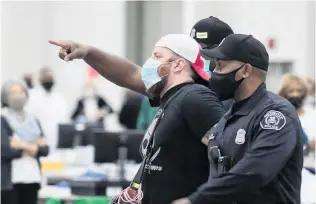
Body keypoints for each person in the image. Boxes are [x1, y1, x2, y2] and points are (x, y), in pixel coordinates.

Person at [49, 33, 226, 204]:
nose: (149, 63)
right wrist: (88, 52)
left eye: (157, 56)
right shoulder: (171, 98)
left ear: (178, 65)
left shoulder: (195, 97)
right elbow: (130, 74)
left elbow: (228, 155)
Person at [172, 34, 303, 204]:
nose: (214, 73)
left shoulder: (276, 115)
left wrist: (195, 200)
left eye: (221, 66)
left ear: (246, 70)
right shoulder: (228, 118)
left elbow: (254, 173)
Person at [1, 80, 49, 204]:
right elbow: (5, 150)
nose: (18, 95)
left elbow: (45, 150)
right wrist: (34, 146)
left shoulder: (33, 120)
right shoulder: (2, 118)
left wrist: (20, 144)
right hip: (11, 182)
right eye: (13, 92)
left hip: (32, 179)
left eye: (21, 91)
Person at [190, 16, 234, 111]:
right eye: (195, 53)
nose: (199, 58)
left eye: (205, 53)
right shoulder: (188, 87)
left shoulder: (233, 96)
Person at [26, 67, 68, 151]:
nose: (48, 80)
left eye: (50, 78)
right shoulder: (32, 96)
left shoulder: (59, 97)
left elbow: (64, 119)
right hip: (38, 141)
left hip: (57, 141)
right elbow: (28, 118)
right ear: (40, 79)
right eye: (46, 78)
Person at [278, 73, 316, 153]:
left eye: (299, 91)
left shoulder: (312, 113)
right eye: (291, 91)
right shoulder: (279, 115)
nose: (296, 94)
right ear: (284, 93)